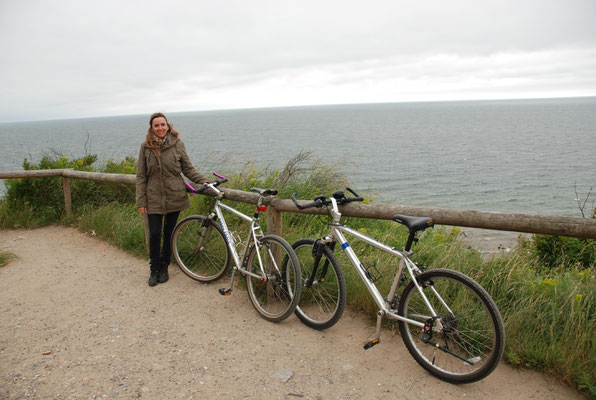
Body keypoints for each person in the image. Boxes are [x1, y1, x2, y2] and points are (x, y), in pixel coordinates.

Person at [136, 112, 208, 286]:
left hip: (174, 195)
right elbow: (141, 175)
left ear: (168, 126)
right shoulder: (145, 147)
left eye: (163, 124)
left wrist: (204, 180)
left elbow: (187, 169)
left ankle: (164, 267)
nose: (160, 128)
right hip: (153, 197)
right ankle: (154, 269)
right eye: (156, 125)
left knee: (169, 232)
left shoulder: (177, 144)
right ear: (151, 128)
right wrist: (141, 201)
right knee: (154, 234)